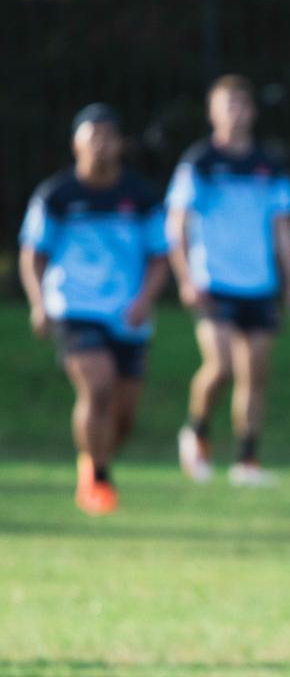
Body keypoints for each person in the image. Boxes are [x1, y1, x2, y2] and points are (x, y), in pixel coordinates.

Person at [18, 103, 170, 515]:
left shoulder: (140, 195)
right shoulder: (58, 195)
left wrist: (144, 300)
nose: (101, 146)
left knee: (123, 415)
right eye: (93, 137)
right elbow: (33, 254)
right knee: (98, 386)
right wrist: (38, 303)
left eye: (108, 137)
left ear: (119, 145)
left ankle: (94, 461)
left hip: (127, 314)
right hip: (74, 306)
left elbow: (160, 256)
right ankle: (100, 478)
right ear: (76, 145)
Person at [165, 74, 290, 486]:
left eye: (243, 105)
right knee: (221, 366)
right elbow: (177, 225)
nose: (237, 113)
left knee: (255, 375)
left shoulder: (270, 166)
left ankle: (246, 460)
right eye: (228, 105)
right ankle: (196, 431)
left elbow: (283, 229)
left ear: (253, 112)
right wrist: (186, 277)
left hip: (259, 285)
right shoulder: (200, 163)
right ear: (213, 112)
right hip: (214, 282)